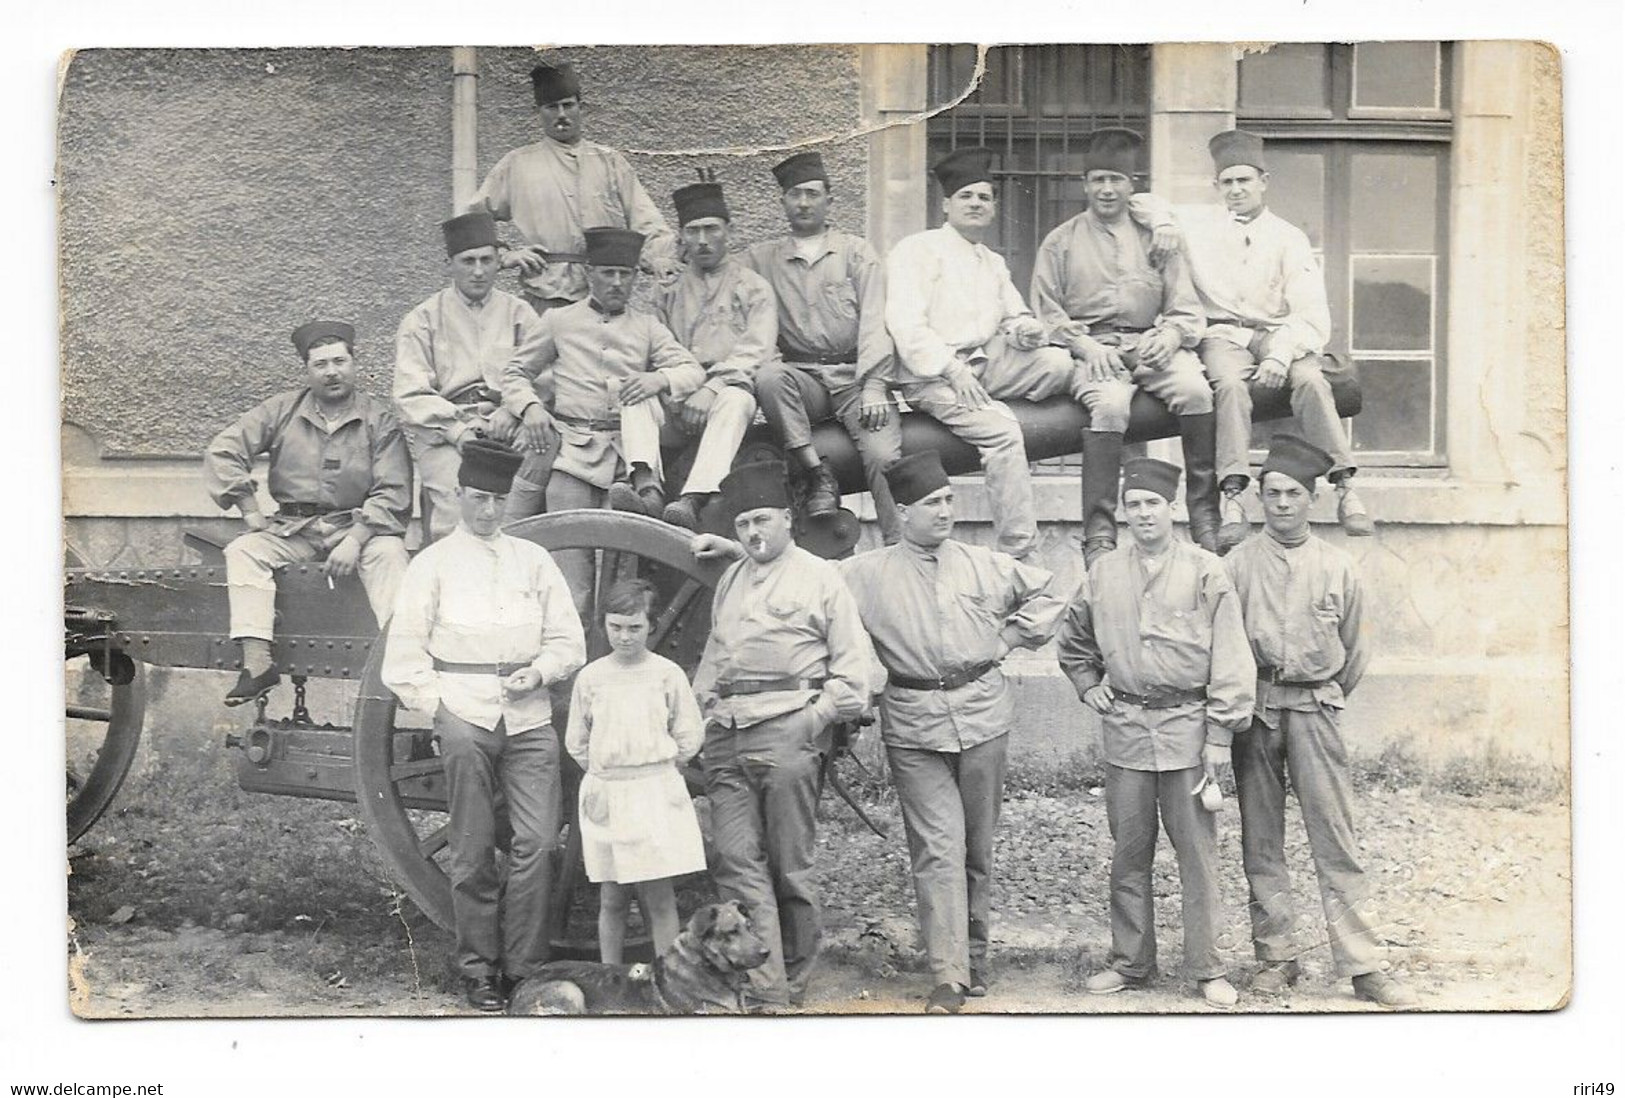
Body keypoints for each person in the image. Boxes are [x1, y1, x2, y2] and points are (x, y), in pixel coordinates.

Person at [838, 451, 1068, 1013]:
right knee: (938, 848)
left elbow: (1055, 591)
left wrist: (1011, 639)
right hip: (914, 726)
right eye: (931, 504)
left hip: (984, 715)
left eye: (948, 500)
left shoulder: (983, 563)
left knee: (975, 848)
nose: (944, 512)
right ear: (903, 511)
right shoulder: (865, 573)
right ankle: (949, 976)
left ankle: (975, 958)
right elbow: (802, 582)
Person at [381, 439, 587, 1012]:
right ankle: (479, 969)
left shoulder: (533, 561)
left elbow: (568, 640)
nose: (489, 511)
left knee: (539, 842)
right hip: (464, 711)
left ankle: (523, 966)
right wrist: (440, 709)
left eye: (498, 500)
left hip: (528, 716)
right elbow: (403, 657)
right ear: (459, 497)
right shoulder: (433, 566)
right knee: (471, 848)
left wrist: (541, 671)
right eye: (478, 499)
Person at [1223, 435, 1416, 1008]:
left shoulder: (1338, 567)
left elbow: (1357, 649)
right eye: (1271, 493)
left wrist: (1325, 695)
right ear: (1259, 499)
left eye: (1292, 494)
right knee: (1262, 838)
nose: (1281, 503)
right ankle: (1277, 956)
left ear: (1312, 500)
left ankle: (1363, 965)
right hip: (1255, 712)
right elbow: (1224, 644)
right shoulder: (1235, 566)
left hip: (1314, 710)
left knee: (1335, 838)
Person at [1055, 457, 1256, 1008]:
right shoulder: (1103, 573)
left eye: (1154, 504)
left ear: (1173, 509)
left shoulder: (1207, 571)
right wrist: (1086, 682)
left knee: (1197, 857)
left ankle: (1207, 968)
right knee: (1129, 853)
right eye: (1134, 505)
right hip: (1125, 731)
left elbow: (1233, 658)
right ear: (1123, 512)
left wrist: (1220, 733)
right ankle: (1130, 962)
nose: (1144, 514)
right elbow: (1073, 639)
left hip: (1189, 731)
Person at [690, 460, 874, 1009]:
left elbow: (853, 670)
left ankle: (791, 976)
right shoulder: (731, 579)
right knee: (736, 859)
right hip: (728, 735)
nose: (752, 533)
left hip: (789, 733)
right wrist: (699, 717)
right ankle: (763, 986)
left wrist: (813, 721)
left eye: (763, 519)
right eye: (743, 523)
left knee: (790, 866)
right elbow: (713, 659)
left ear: (789, 520)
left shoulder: (821, 578)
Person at [1169, 130, 1374, 550]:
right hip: (1223, 334)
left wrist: (1280, 355)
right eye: (1227, 182)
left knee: (1313, 381)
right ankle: (1233, 498)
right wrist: (1158, 222)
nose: (1236, 190)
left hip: (1282, 334)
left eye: (1244, 180)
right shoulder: (1199, 228)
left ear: (1264, 181)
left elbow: (1312, 315)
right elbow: (1148, 202)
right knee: (1227, 387)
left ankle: (1345, 486)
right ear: (1216, 187)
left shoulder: (1288, 238)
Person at [1031, 128, 1220, 563]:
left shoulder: (1157, 237)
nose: (1107, 189)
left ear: (1132, 185)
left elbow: (1187, 308)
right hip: (1094, 351)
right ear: (1085, 185)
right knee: (1111, 407)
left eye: (1116, 179)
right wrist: (1084, 345)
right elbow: (1046, 314)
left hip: (1151, 345)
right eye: (1098, 179)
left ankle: (1204, 515)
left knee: (1196, 391)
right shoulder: (1061, 241)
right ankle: (1098, 532)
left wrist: (1171, 335)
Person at [499, 226, 707, 614]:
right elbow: (513, 374)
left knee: (622, 587)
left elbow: (691, 371)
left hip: (627, 466)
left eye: (624, 274)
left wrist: (657, 378)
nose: (616, 282)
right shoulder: (559, 321)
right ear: (589, 273)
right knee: (569, 583)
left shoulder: (647, 327)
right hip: (571, 459)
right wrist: (530, 408)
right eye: (607, 272)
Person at [884, 146, 1075, 560]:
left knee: (1059, 364)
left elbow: (1015, 313)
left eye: (984, 197)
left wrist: (1024, 330)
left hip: (986, 364)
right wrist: (952, 371)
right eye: (966, 196)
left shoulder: (991, 262)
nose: (976, 204)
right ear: (946, 204)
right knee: (1005, 436)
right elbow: (907, 327)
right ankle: (1019, 552)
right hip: (932, 377)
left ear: (993, 207)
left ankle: (996, 405)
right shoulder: (917, 251)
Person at [205, 320, 411, 706]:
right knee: (244, 551)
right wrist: (251, 511)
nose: (332, 371)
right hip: (294, 529)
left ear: (354, 363)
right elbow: (223, 450)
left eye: (339, 361)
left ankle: (402, 667)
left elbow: (394, 489)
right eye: (320, 364)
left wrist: (355, 540)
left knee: (390, 555)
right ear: (307, 370)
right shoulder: (282, 410)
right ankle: (257, 664)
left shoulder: (378, 419)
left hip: (357, 528)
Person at [744, 150, 904, 541]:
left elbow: (875, 319)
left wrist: (874, 385)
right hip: (804, 380)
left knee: (884, 457)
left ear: (829, 200)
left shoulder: (856, 253)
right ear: (782, 202)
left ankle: (899, 546)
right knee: (769, 377)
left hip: (854, 378)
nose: (803, 202)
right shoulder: (761, 259)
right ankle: (818, 471)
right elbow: (721, 282)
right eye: (795, 194)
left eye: (812, 194)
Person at [565, 577, 706, 964]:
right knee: (612, 896)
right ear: (604, 625)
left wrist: (657, 768)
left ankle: (669, 979)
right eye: (616, 628)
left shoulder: (666, 674)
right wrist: (607, 772)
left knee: (659, 894)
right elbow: (577, 741)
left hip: (654, 792)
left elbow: (689, 733)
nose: (624, 637)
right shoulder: (592, 678)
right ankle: (610, 979)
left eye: (635, 628)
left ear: (651, 626)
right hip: (609, 793)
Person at [467, 60, 676, 318]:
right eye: (552, 107)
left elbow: (647, 220)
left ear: (581, 108)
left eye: (568, 105)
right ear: (539, 112)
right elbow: (471, 220)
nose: (561, 114)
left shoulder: (609, 161)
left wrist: (659, 258)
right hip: (544, 297)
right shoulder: (517, 164)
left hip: (603, 297)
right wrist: (504, 255)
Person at [620, 177, 772, 531]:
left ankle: (693, 497)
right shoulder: (668, 290)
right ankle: (646, 486)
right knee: (634, 394)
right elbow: (652, 346)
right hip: (677, 396)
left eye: (711, 229)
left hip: (725, 397)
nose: (702, 241)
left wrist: (711, 387)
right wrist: (675, 385)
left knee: (736, 400)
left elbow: (756, 350)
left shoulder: (752, 287)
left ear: (728, 231)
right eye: (693, 231)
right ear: (681, 237)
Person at [394, 212, 550, 539]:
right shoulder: (422, 319)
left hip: (509, 427)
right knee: (460, 515)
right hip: (447, 434)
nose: (478, 271)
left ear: (498, 262)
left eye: (486, 260)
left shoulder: (520, 313)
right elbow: (410, 394)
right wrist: (458, 431)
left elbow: (546, 375)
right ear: (449, 263)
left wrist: (512, 409)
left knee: (515, 517)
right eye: (468, 261)